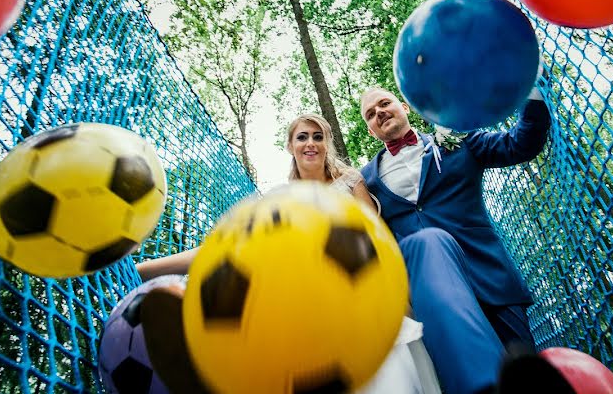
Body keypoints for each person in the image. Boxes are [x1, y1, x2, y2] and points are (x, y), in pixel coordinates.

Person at [135, 114, 441, 394]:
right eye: (302, 137)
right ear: (290, 146)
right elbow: (226, 248)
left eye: (318, 136)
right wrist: (143, 268)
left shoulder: (350, 182)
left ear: (327, 144)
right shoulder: (279, 199)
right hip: (304, 310)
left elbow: (377, 242)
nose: (311, 143)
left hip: (364, 300)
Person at [359, 85, 551, 394]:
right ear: (369, 129)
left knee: (525, 379)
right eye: (370, 114)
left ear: (405, 107)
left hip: (490, 281)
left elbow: (522, 144)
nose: (379, 113)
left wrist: (531, 90)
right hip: (433, 301)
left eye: (384, 104)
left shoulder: (457, 140)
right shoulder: (365, 182)